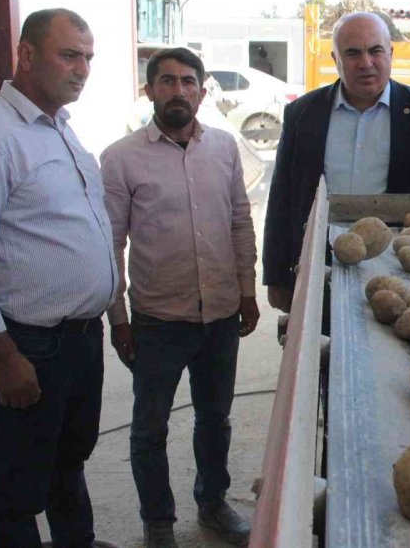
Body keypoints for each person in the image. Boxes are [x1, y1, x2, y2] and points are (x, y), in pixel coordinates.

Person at [0, 8, 119, 548]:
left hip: (81, 337)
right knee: (19, 484)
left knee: (68, 463)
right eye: (69, 55)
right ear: (27, 54)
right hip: (29, 344)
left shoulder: (58, 127)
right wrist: (3, 357)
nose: (82, 69)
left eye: (88, 58)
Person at [100, 47, 259, 548]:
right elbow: (110, 243)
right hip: (157, 321)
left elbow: (239, 221)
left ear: (202, 91)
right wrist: (118, 318)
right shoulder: (121, 158)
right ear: (149, 91)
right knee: (149, 428)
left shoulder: (226, 148)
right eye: (166, 81)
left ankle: (212, 504)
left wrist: (247, 291)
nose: (178, 90)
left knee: (216, 419)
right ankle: (159, 523)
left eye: (188, 82)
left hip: (219, 316)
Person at [263, 11, 410, 310]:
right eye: (353, 53)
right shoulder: (302, 115)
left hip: (405, 273)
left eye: (375, 51)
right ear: (336, 58)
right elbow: (282, 198)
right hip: (321, 268)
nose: (366, 63)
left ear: (391, 53)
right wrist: (277, 276)